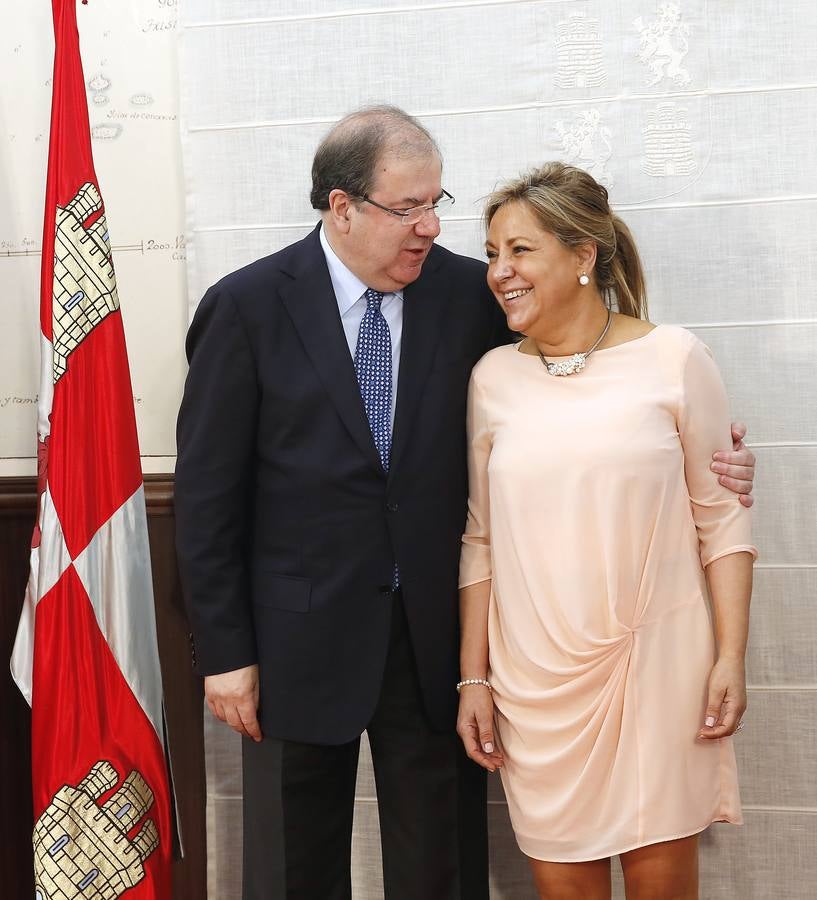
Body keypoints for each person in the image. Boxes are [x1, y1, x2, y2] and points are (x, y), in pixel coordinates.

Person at [175, 108, 756, 900]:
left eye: (434, 202)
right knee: (291, 870)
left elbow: (572, 378)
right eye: (406, 208)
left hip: (434, 647)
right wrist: (226, 653)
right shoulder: (245, 307)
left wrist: (715, 461)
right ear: (342, 208)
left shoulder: (467, 295)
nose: (429, 226)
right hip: (292, 648)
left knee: (440, 871)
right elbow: (208, 498)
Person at [456, 162, 757, 900]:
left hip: (656, 669)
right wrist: (474, 676)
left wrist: (729, 657)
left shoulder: (674, 358)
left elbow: (721, 520)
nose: (499, 271)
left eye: (519, 250)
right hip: (534, 683)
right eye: (493, 253)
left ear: (583, 255)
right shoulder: (491, 377)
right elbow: (479, 539)